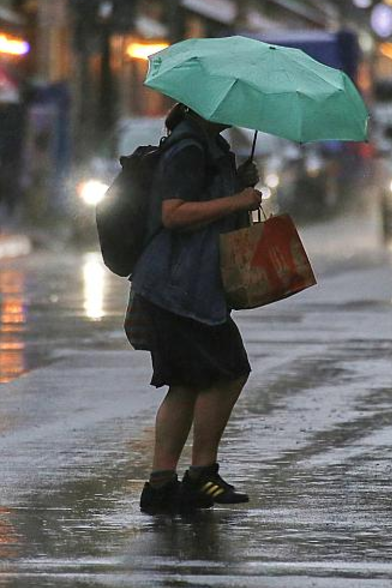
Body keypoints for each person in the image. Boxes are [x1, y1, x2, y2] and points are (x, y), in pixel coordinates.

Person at [130, 103, 262, 515]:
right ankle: (201, 474)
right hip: (180, 287)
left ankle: (161, 486)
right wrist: (235, 199)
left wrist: (237, 185)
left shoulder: (207, 145)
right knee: (229, 369)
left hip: (181, 285)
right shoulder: (189, 147)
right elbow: (174, 214)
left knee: (186, 381)